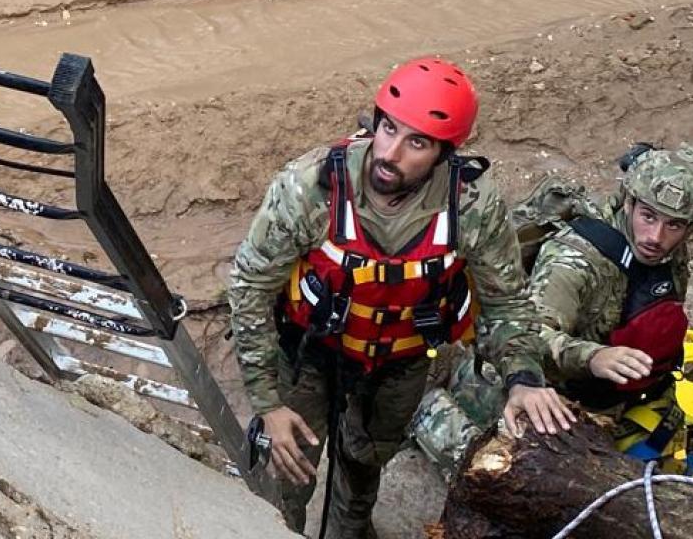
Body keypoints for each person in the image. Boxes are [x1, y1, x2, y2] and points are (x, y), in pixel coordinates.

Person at [227, 57, 571, 539]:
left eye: (417, 142)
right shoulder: (310, 188)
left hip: (400, 362)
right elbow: (249, 286)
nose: (390, 153)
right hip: (309, 351)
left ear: (444, 153)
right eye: (388, 129)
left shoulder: (470, 205)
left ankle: (349, 528)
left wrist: (523, 377)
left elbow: (506, 301)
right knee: (287, 470)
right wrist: (266, 402)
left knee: (365, 465)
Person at [412, 144, 693, 477]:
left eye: (674, 226)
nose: (656, 236)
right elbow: (530, 337)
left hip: (613, 393)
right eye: (648, 217)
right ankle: (427, 411)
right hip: (537, 384)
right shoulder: (574, 261)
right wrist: (593, 357)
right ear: (630, 202)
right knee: (521, 473)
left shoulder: (665, 251)